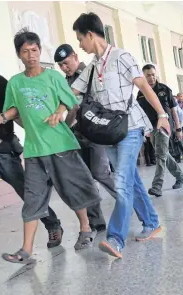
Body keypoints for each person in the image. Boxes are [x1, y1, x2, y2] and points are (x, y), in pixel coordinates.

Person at [0, 29, 101, 264]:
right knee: (32, 198)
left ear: (39, 50)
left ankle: (85, 228)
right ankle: (26, 249)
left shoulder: (53, 77)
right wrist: (2, 117)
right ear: (19, 55)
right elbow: (14, 109)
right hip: (34, 150)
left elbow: (71, 100)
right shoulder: (15, 82)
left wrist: (59, 112)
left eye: (34, 50)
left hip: (60, 144)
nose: (31, 55)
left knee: (71, 188)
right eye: (25, 51)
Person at [71, 13, 171, 258]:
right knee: (132, 181)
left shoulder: (122, 57)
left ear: (90, 35)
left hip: (132, 127)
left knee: (122, 182)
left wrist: (162, 114)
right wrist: (56, 108)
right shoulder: (93, 66)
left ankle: (115, 239)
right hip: (110, 132)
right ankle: (151, 221)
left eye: (80, 39)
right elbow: (72, 92)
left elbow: (144, 87)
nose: (80, 44)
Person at [54, 43, 117, 232]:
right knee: (85, 179)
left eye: (66, 63)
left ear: (75, 56)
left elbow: (73, 107)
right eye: (61, 66)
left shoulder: (89, 74)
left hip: (95, 133)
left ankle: (130, 202)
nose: (65, 67)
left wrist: (65, 125)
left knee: (100, 173)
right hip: (78, 135)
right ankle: (96, 219)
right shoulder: (65, 82)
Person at [137, 64, 183, 197]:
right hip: (151, 127)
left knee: (160, 156)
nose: (151, 77)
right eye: (148, 75)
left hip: (165, 126)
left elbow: (174, 111)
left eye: (153, 74)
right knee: (163, 153)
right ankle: (181, 176)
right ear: (144, 76)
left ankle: (157, 186)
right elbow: (140, 113)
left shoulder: (165, 90)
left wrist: (178, 128)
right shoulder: (140, 93)